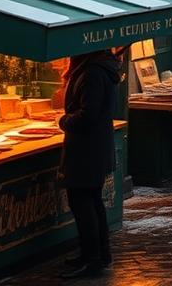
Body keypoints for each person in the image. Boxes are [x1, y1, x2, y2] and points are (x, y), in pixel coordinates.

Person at [58, 49, 122, 279]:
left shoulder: (92, 72)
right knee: (92, 201)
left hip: (86, 149)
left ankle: (93, 259)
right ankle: (97, 255)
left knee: (83, 204)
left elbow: (89, 113)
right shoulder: (100, 68)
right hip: (93, 147)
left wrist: (64, 121)